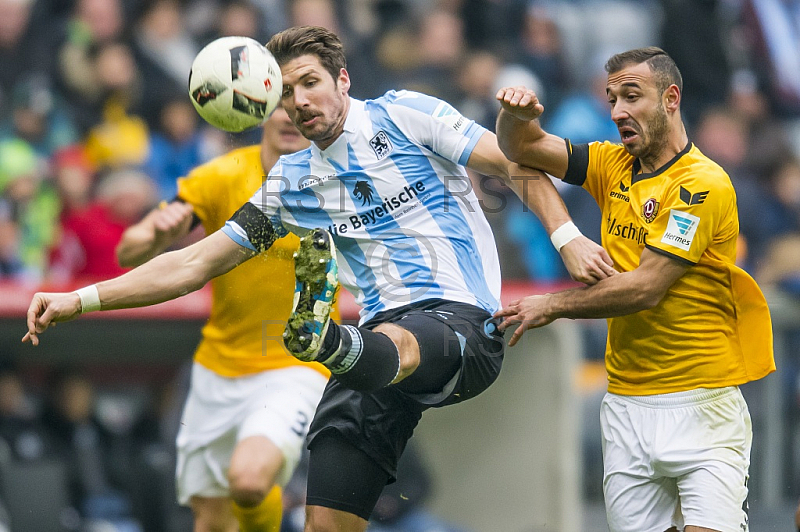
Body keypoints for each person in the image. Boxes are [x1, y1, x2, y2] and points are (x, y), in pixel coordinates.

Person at [23, 26, 614, 531]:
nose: (299, 100)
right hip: (374, 349)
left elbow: (516, 163)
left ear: (343, 81)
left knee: (399, 341)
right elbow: (193, 264)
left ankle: (328, 341)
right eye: (285, 92)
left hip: (460, 326)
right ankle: (335, 346)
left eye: (310, 82)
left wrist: (569, 238)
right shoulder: (291, 183)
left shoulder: (406, 114)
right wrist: (78, 299)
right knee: (325, 519)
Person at [494, 47, 775, 532]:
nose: (618, 111)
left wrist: (553, 305)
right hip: (626, 405)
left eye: (631, 96)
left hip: (702, 404)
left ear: (670, 99)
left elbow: (647, 288)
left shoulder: (701, 185)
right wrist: (512, 116)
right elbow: (520, 150)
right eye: (611, 98)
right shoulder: (611, 165)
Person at [114, 107, 329, 532]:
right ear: (259, 110)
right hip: (219, 367)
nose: (290, 115)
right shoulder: (221, 175)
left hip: (295, 366)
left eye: (300, 104)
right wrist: (155, 234)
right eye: (281, 102)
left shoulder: (337, 179)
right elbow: (128, 250)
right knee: (211, 523)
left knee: (249, 482)